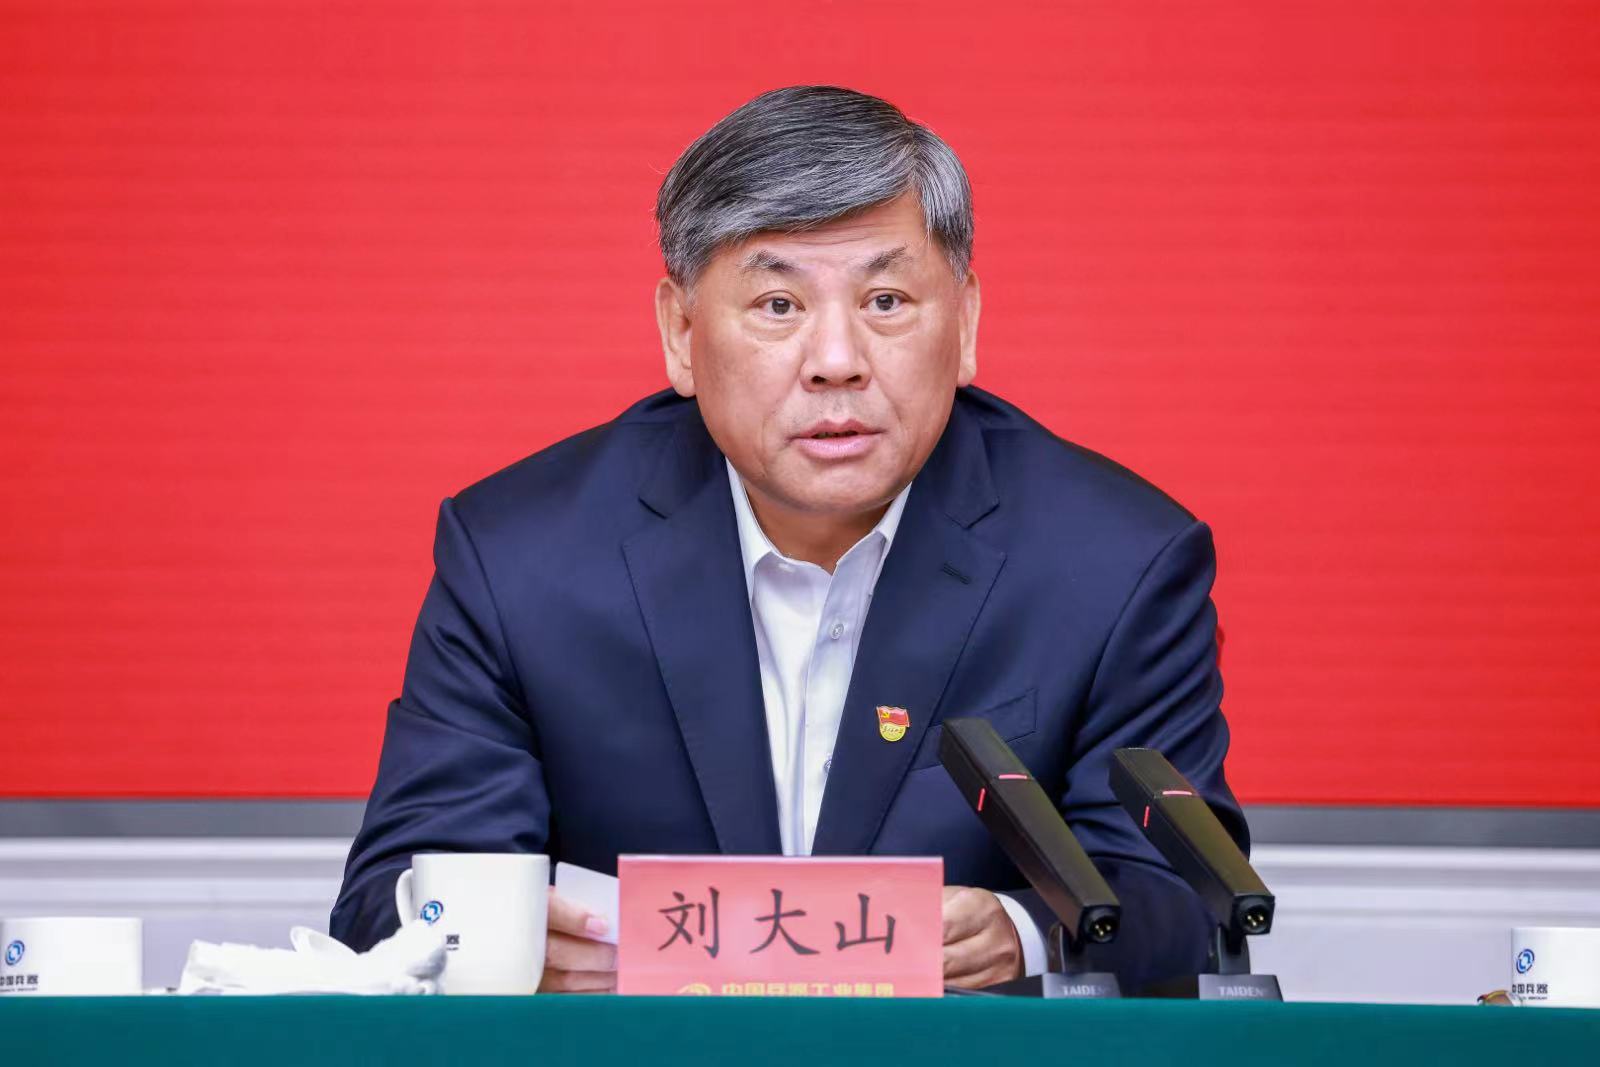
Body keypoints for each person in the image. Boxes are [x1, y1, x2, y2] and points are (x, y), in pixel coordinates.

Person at [329, 85, 1247, 994]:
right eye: (778, 305)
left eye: (886, 300)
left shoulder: (1116, 565)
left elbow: (1185, 900)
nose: (837, 360)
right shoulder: (522, 558)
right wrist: (493, 936)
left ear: (965, 323)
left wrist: (1024, 934)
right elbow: (388, 899)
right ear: (681, 333)